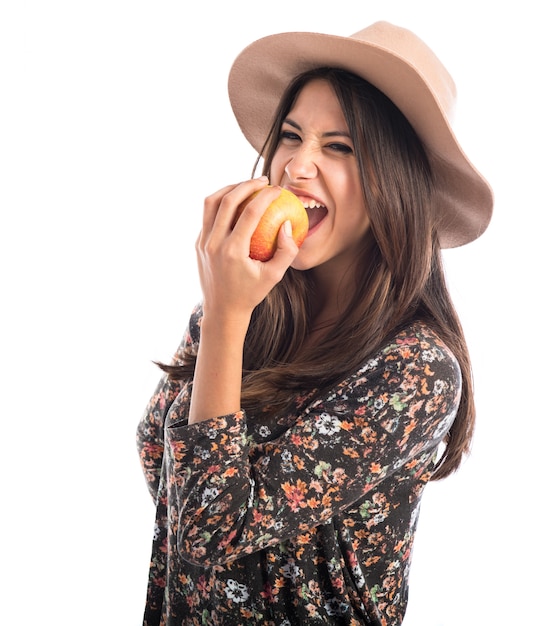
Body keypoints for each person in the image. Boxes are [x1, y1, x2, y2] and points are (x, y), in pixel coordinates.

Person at [136, 20, 493, 626]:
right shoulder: (242, 309)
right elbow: (167, 478)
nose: (297, 168)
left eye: (340, 147)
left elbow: (208, 536)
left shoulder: (417, 371)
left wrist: (225, 315)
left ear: (396, 182)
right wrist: (226, 313)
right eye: (292, 137)